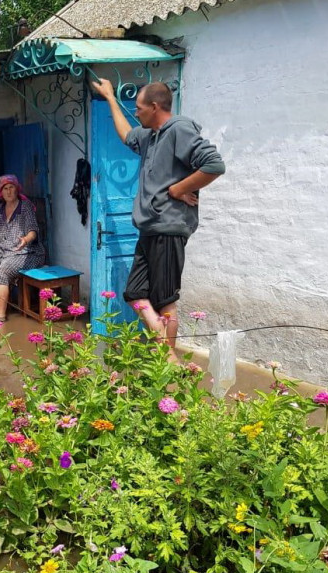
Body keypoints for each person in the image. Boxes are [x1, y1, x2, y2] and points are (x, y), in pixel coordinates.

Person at [90, 78, 225, 362]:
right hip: (149, 227)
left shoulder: (180, 129)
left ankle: (167, 360)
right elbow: (127, 136)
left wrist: (179, 188)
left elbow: (214, 165)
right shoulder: (151, 136)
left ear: (154, 107)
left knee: (165, 302)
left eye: (139, 108)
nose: (135, 113)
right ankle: (167, 354)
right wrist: (110, 98)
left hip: (168, 226)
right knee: (134, 293)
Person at [0, 174, 45, 322]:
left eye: (11, 188)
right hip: (2, 252)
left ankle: (0, 317)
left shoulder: (25, 207)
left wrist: (25, 240)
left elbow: (33, 231)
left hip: (27, 253)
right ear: (1, 192)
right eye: (5, 188)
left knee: (1, 273)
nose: (9, 192)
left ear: (17, 190)